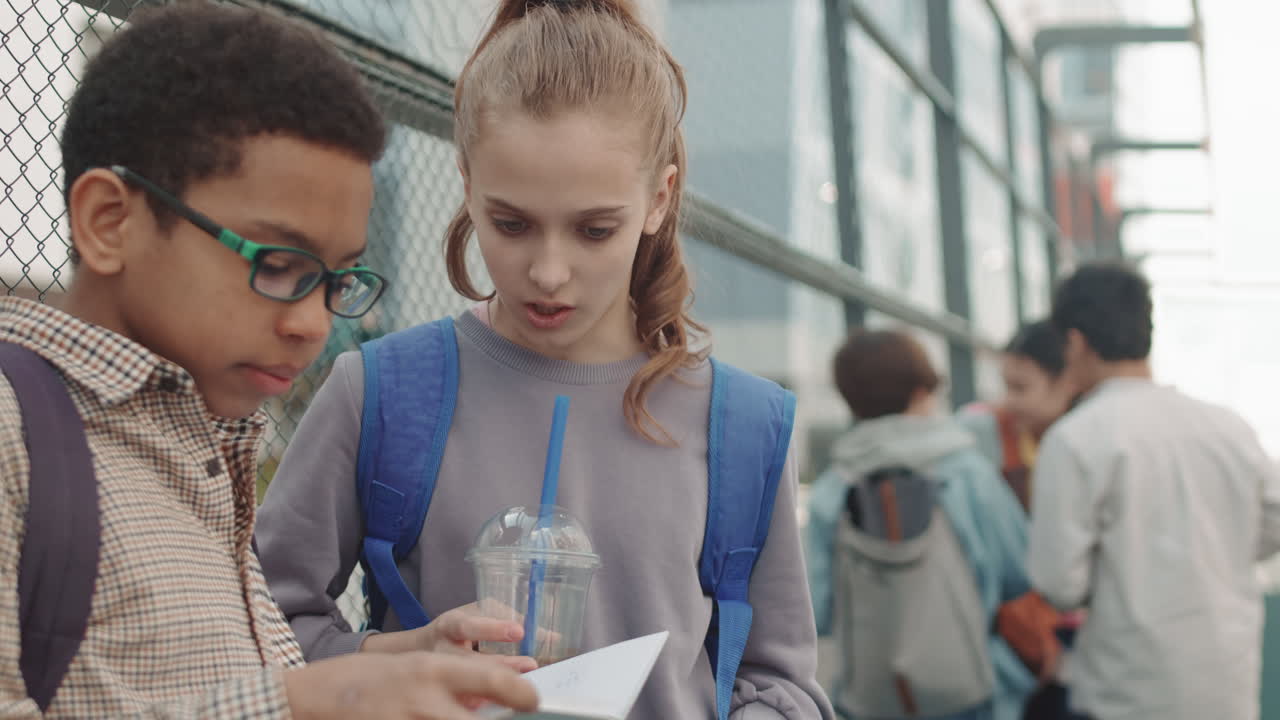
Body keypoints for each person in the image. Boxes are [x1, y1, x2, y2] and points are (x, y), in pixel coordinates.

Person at [254, 1, 833, 718]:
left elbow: (783, 683)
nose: (549, 271)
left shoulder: (744, 427)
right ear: (464, 183)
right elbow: (263, 627)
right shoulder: (382, 391)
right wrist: (396, 663)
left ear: (659, 199)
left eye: (595, 229)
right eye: (511, 224)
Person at [0, 3, 537, 717]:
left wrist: (403, 659)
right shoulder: (18, 436)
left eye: (337, 280)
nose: (312, 324)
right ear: (110, 222)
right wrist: (307, 702)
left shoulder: (202, 450)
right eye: (279, 265)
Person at [1027, 262, 1280, 720]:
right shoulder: (1228, 427)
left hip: (1127, 687)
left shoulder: (1075, 439)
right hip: (1226, 680)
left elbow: (1059, 584)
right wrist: (1221, 551)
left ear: (1076, 342)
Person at [806, 330, 1034, 720]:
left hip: (872, 699)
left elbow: (818, 610)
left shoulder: (832, 492)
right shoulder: (968, 474)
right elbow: (1018, 572)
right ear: (919, 393)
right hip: (972, 685)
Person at [958, 320, 1073, 511]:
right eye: (1006, 386)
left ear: (1066, 383)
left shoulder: (1085, 445)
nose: (1007, 401)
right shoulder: (982, 432)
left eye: (1020, 388)